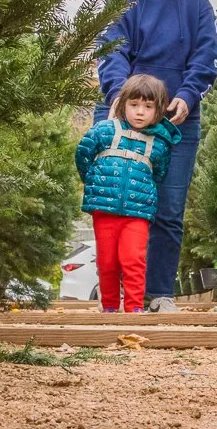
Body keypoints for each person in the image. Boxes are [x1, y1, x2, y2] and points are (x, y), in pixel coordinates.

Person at [95, 0, 217, 313]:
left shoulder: (196, 1)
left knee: (168, 208)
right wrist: (120, 96)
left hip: (177, 119)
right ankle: (113, 294)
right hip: (122, 112)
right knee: (114, 203)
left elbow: (206, 55)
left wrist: (187, 95)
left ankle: (159, 293)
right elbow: (111, 49)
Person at [75, 75, 181, 312]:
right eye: (134, 105)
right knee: (108, 261)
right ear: (123, 104)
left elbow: (159, 173)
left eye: (148, 106)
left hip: (138, 212)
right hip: (104, 209)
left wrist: (142, 192)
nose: (140, 112)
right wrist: (94, 181)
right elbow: (82, 155)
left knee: (133, 259)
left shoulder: (159, 144)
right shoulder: (104, 131)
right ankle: (110, 307)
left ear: (159, 110)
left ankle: (134, 308)